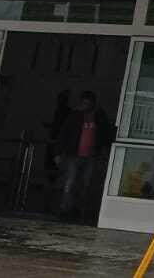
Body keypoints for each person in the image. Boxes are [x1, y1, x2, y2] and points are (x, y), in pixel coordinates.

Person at [56, 90, 116, 220]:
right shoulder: (75, 116)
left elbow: (106, 133)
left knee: (86, 185)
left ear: (93, 104)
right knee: (70, 183)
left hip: (90, 156)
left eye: (88, 103)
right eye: (84, 103)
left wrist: (103, 151)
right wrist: (59, 152)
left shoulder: (99, 117)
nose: (86, 106)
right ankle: (65, 209)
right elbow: (64, 133)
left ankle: (80, 210)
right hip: (74, 154)